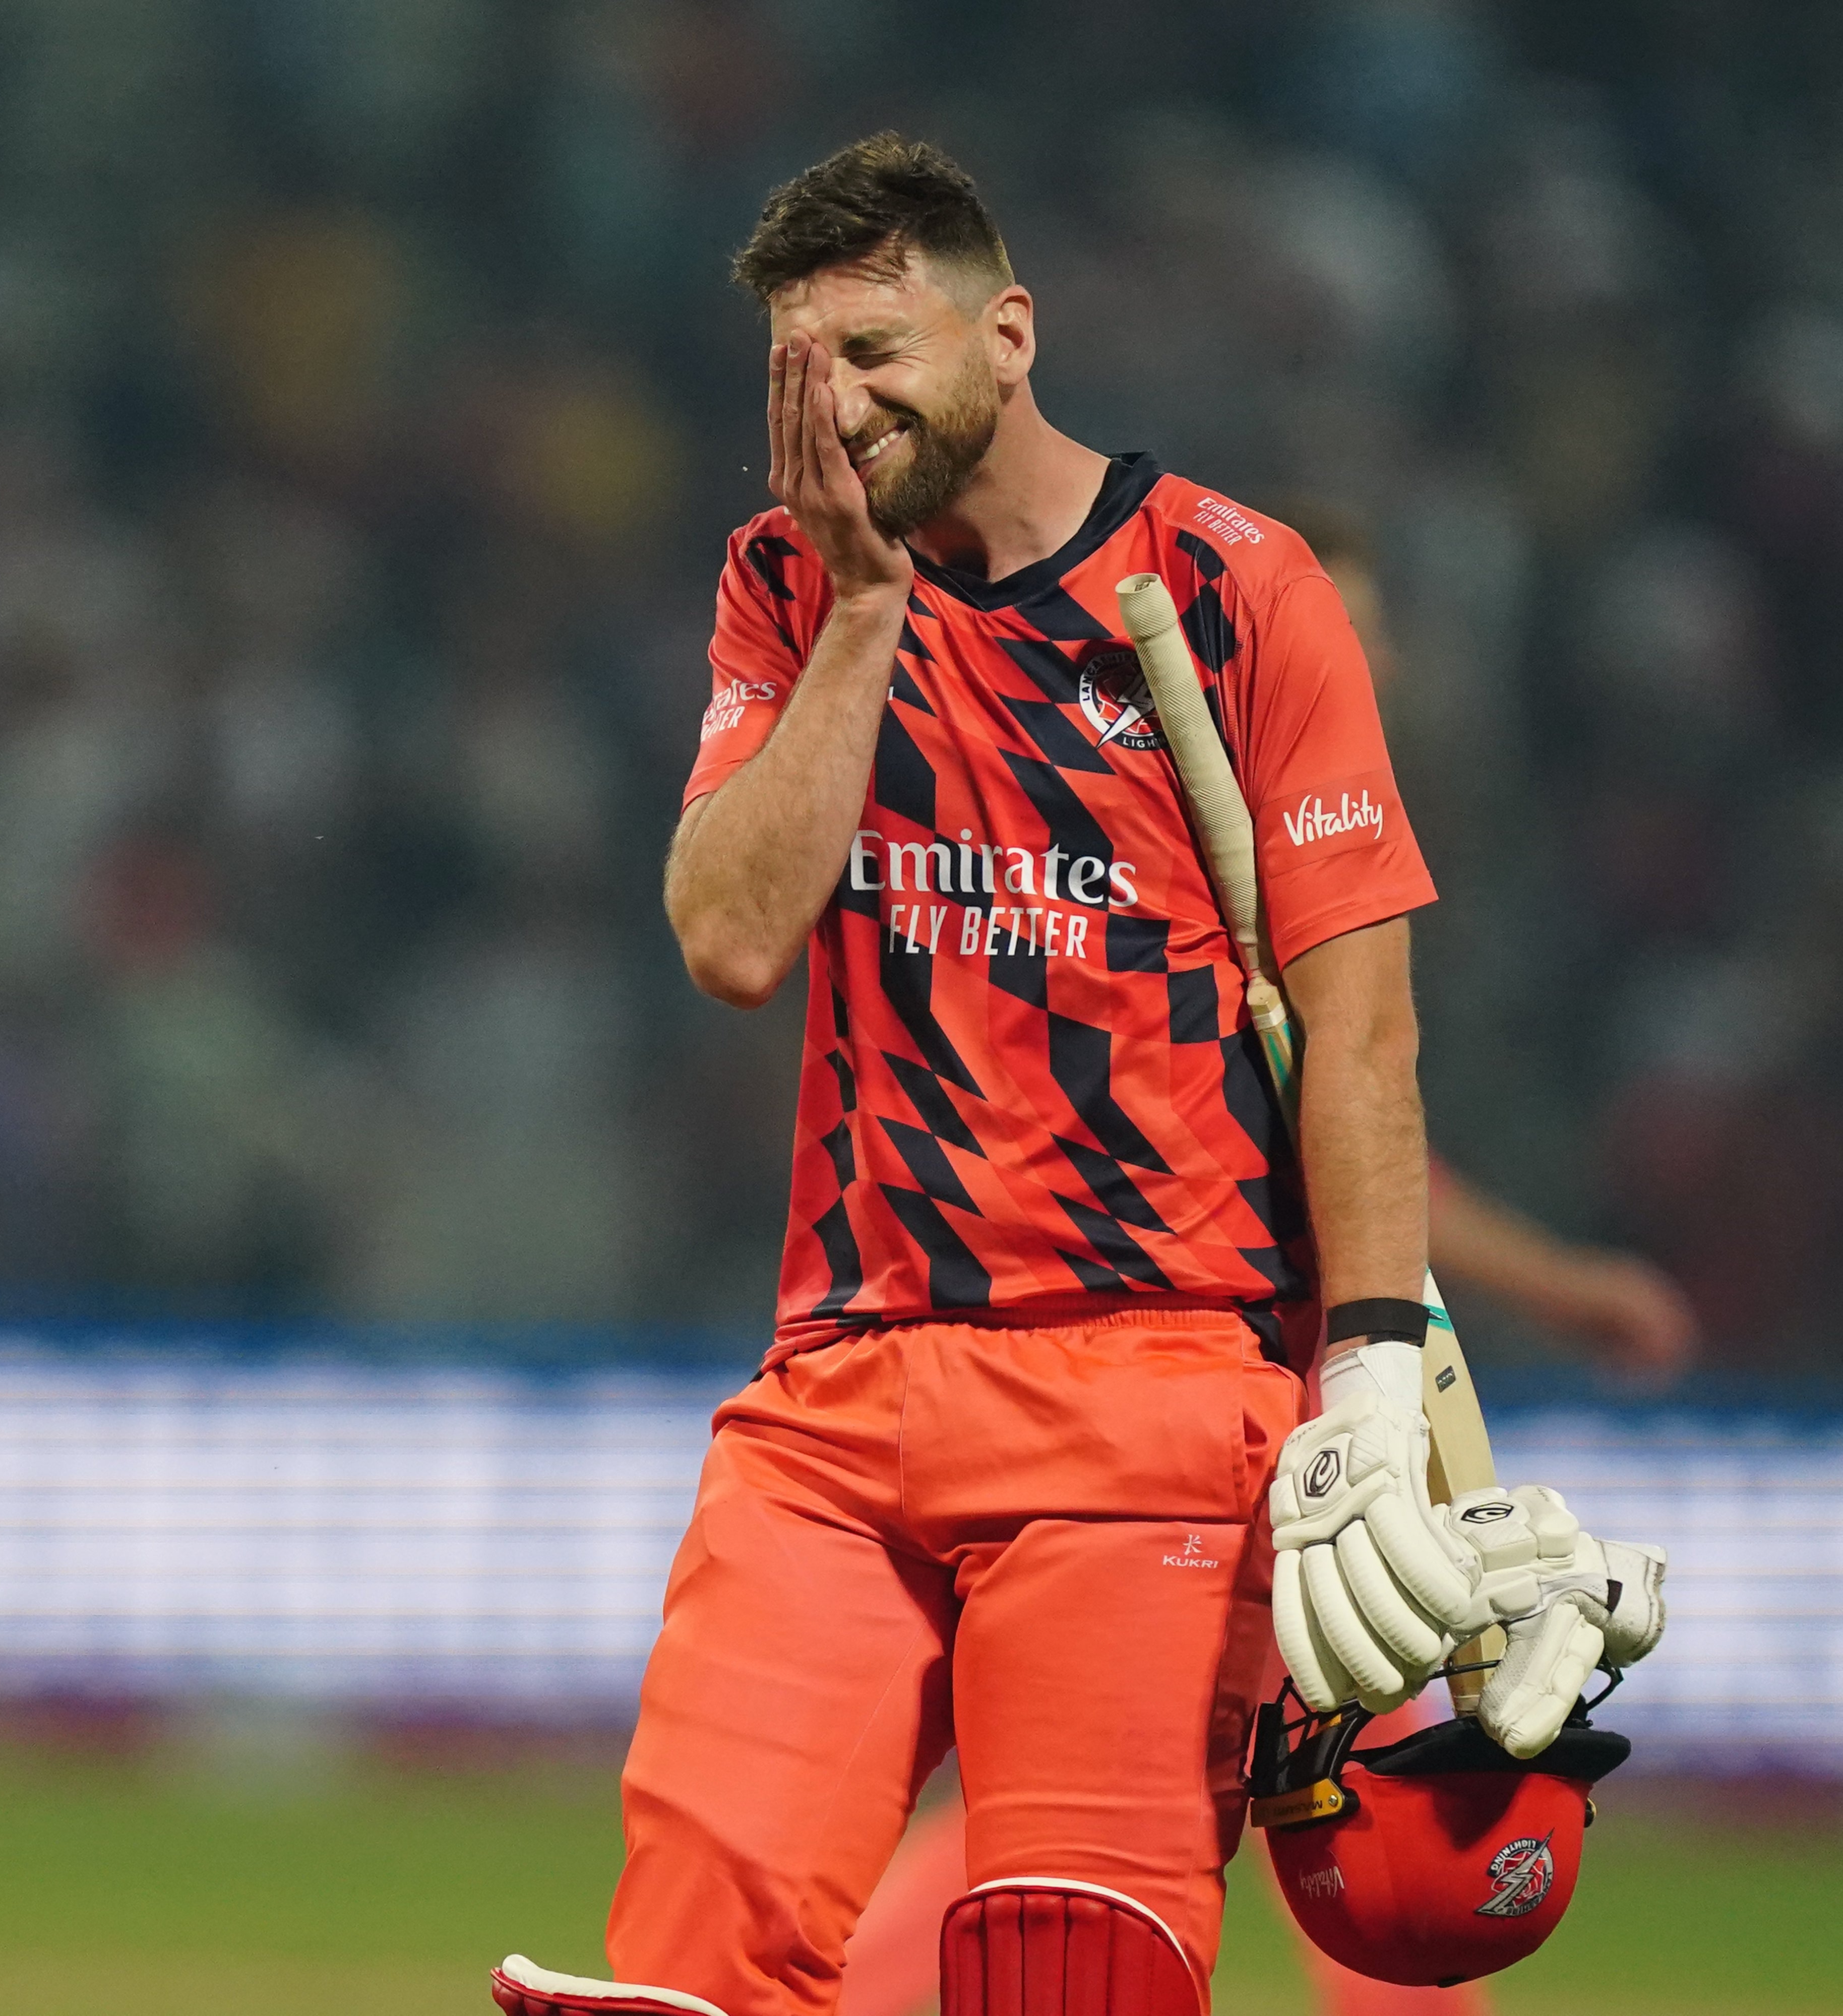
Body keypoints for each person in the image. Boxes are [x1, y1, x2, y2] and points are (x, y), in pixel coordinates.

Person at [487, 136, 1656, 2016]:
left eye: (875, 352)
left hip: (1151, 1389)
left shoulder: (1236, 585)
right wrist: (865, 610)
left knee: (1070, 1978)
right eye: (799, 372)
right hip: (838, 1396)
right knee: (675, 1977)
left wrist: (1361, 1365)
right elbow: (726, 935)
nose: (838, 408)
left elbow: (1356, 1025)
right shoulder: (791, 589)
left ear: (1008, 334)